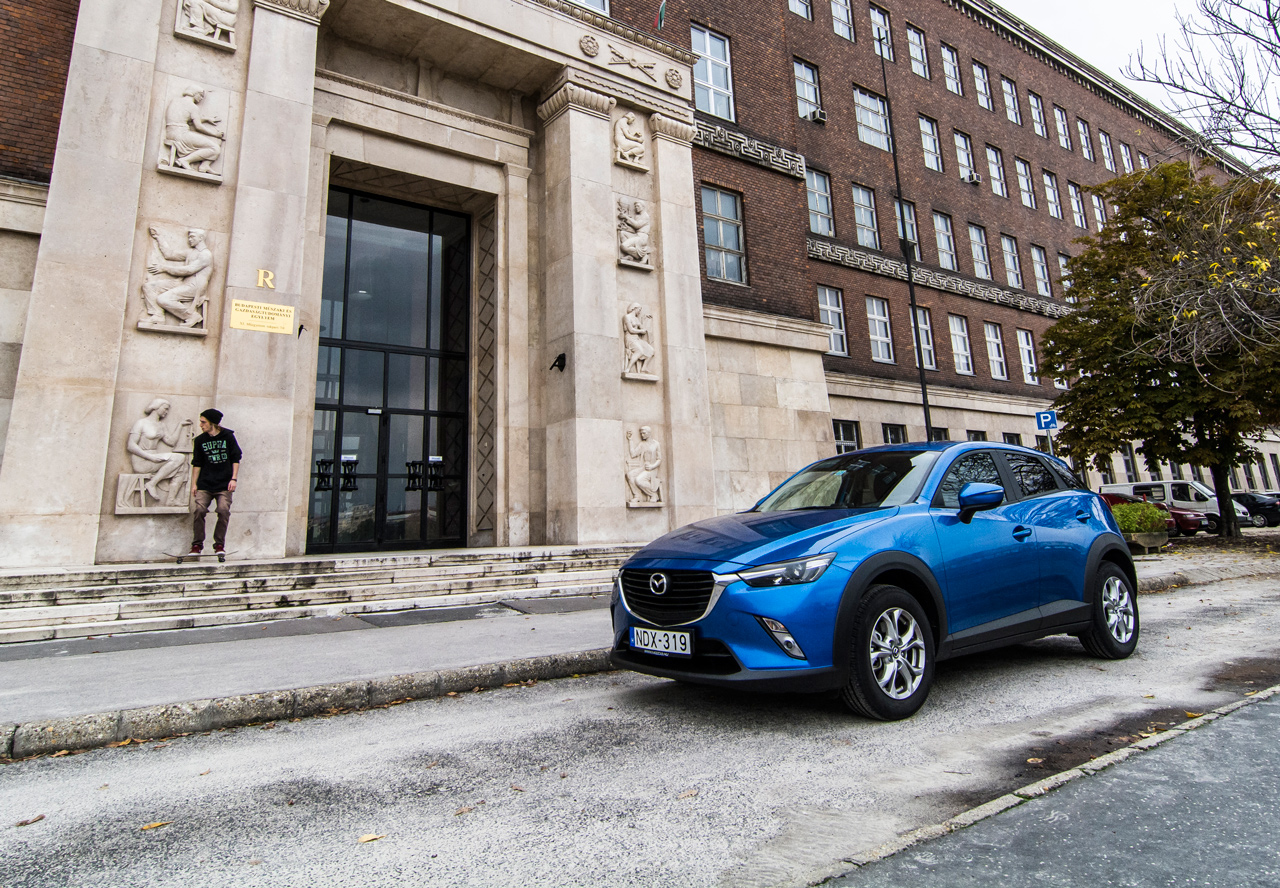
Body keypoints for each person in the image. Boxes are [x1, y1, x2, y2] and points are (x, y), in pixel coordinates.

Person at [189, 408, 242, 555]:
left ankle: (219, 544)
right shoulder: (200, 440)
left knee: (223, 510)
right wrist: (194, 484)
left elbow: (236, 458)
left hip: (224, 484)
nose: (201, 425)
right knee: (199, 511)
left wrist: (234, 478)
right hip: (205, 483)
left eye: (203, 422)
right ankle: (197, 545)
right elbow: (197, 463)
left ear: (212, 423)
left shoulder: (228, 436)